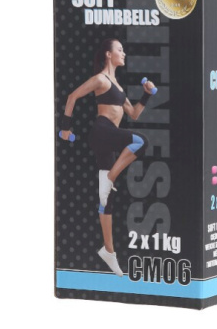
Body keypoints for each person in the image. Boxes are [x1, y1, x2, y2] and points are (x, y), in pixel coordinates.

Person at [59, 38, 155, 277]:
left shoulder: (118, 87)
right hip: (101, 132)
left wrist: (146, 95)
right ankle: (110, 177)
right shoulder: (101, 79)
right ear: (108, 54)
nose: (124, 53)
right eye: (119, 50)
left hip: (109, 139)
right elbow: (72, 96)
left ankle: (109, 251)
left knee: (106, 200)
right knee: (141, 142)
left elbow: (133, 114)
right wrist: (66, 128)